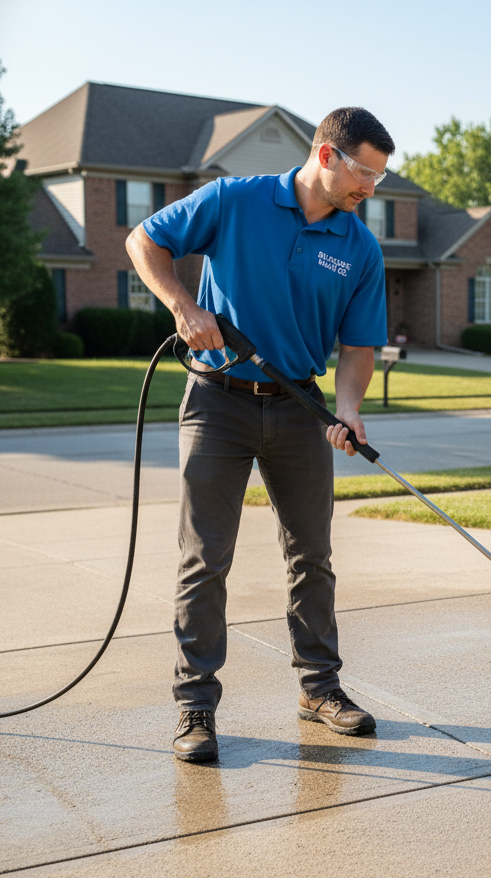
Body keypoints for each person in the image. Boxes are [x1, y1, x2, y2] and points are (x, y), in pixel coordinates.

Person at [125, 107, 394, 762]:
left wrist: (350, 408)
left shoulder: (358, 246)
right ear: (326, 156)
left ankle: (319, 688)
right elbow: (143, 240)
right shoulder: (234, 200)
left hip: (302, 407)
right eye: (365, 173)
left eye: (381, 178)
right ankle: (194, 706)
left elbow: (359, 344)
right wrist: (184, 307)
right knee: (204, 557)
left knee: (312, 555)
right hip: (216, 401)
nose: (373, 190)